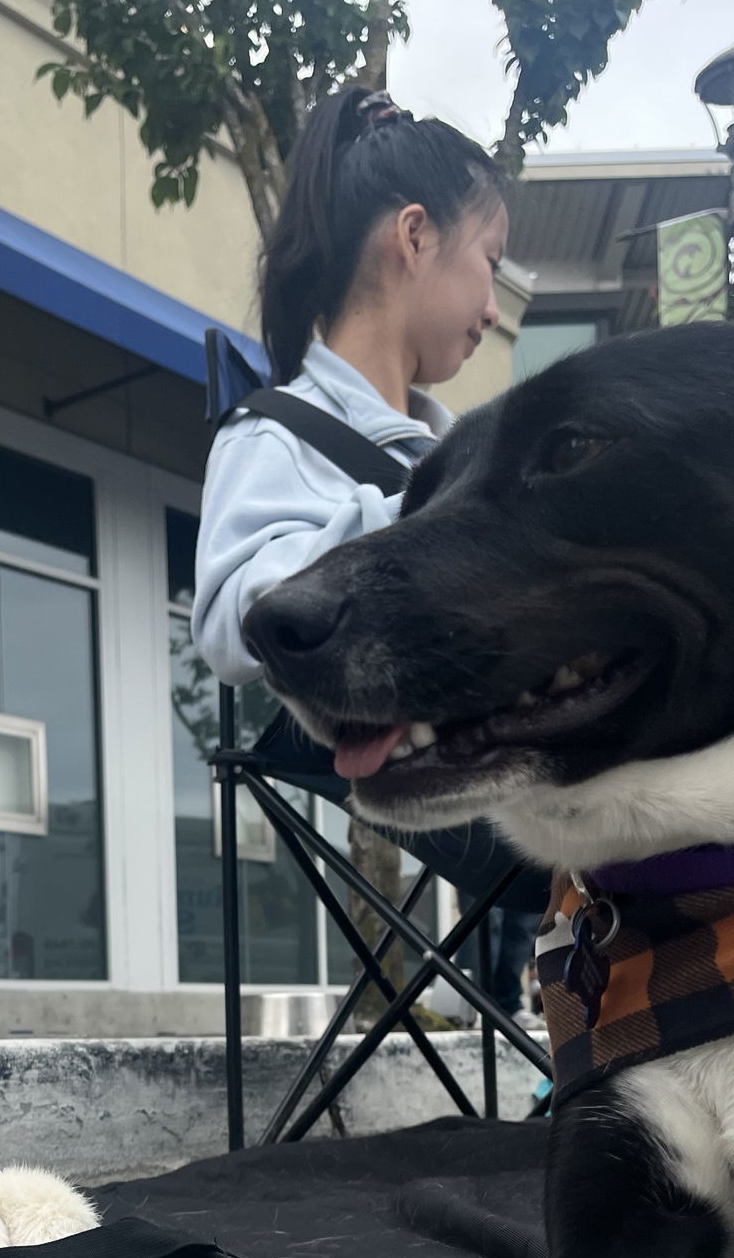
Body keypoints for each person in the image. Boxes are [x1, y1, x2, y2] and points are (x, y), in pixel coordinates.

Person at [192, 86, 535, 1019]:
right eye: (490, 265)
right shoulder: (272, 433)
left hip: (505, 747)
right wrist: (415, 522)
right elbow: (229, 623)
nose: (492, 307)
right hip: (407, 763)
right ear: (415, 237)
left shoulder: (457, 439)